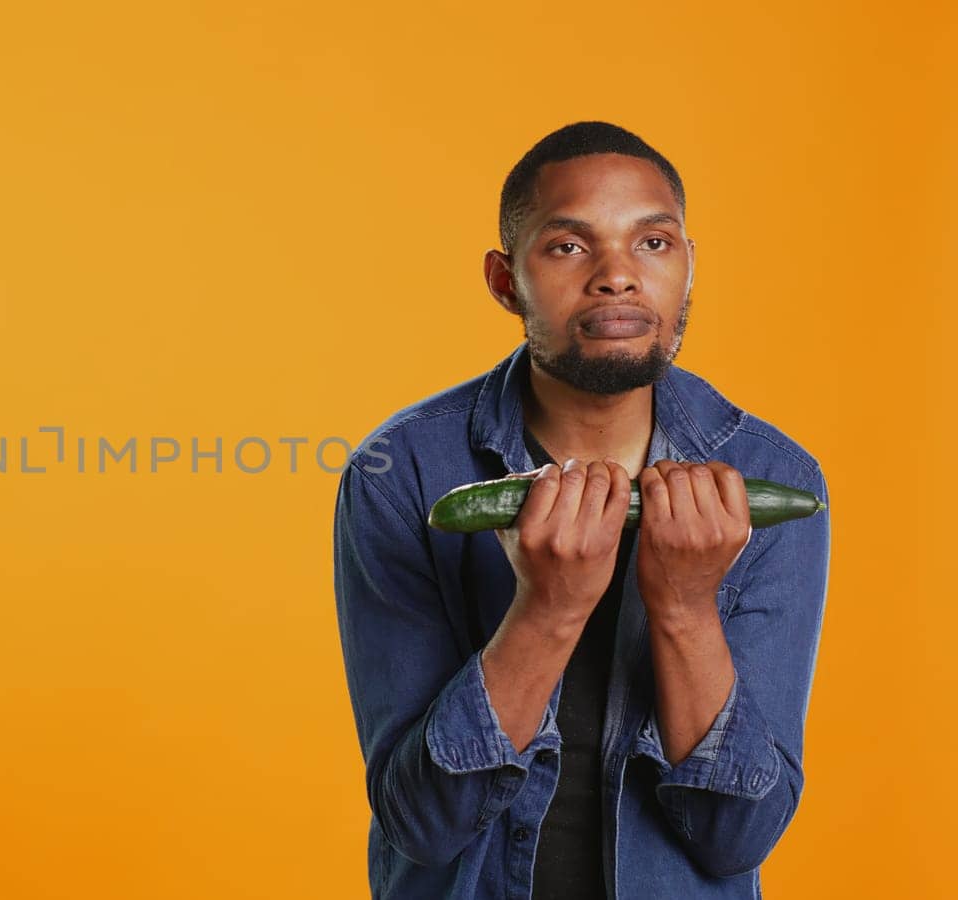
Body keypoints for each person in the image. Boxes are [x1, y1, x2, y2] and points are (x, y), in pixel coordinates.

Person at [331, 121, 831, 899]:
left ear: (690, 269)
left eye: (654, 244)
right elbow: (422, 822)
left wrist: (686, 608)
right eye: (569, 247)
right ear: (505, 282)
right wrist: (548, 611)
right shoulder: (403, 476)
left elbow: (738, 837)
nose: (617, 277)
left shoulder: (772, 478)